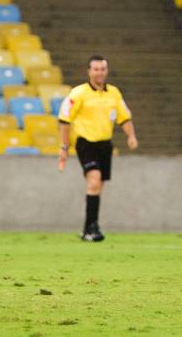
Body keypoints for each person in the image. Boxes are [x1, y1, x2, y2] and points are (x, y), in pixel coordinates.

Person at [58, 55, 138, 242]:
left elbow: (124, 117)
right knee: (94, 180)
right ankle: (92, 227)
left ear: (106, 71)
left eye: (102, 69)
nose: (99, 73)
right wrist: (64, 146)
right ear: (89, 71)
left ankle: (89, 228)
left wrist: (131, 136)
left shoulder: (114, 93)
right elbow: (64, 119)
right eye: (96, 69)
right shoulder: (79, 93)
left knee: (98, 186)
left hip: (105, 144)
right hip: (86, 142)